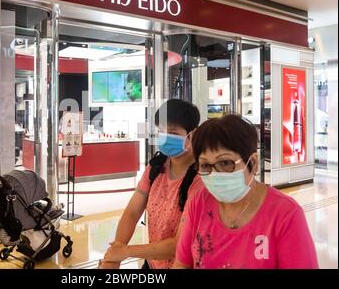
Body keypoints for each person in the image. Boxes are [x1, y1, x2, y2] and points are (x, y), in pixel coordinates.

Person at [174, 114, 318, 269]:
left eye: (225, 163)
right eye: (205, 165)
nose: (215, 174)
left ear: (253, 163)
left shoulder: (285, 214)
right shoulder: (199, 203)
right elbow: (182, 264)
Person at [99, 99, 204, 269]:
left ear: (192, 135)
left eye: (174, 132)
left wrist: (126, 251)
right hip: (152, 264)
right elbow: (132, 213)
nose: (165, 137)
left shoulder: (199, 179)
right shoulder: (156, 168)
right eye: (161, 131)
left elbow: (179, 244)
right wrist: (114, 257)